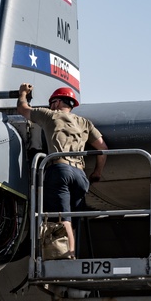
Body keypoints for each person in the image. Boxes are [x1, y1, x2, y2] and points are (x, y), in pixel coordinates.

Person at [17, 84, 109, 258]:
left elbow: (23, 109)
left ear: (57, 103)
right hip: (81, 175)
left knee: (62, 217)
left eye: (52, 103)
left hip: (60, 170)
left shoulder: (49, 116)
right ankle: (72, 252)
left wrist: (23, 93)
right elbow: (103, 149)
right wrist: (97, 172)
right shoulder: (85, 123)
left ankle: (70, 256)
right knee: (72, 219)